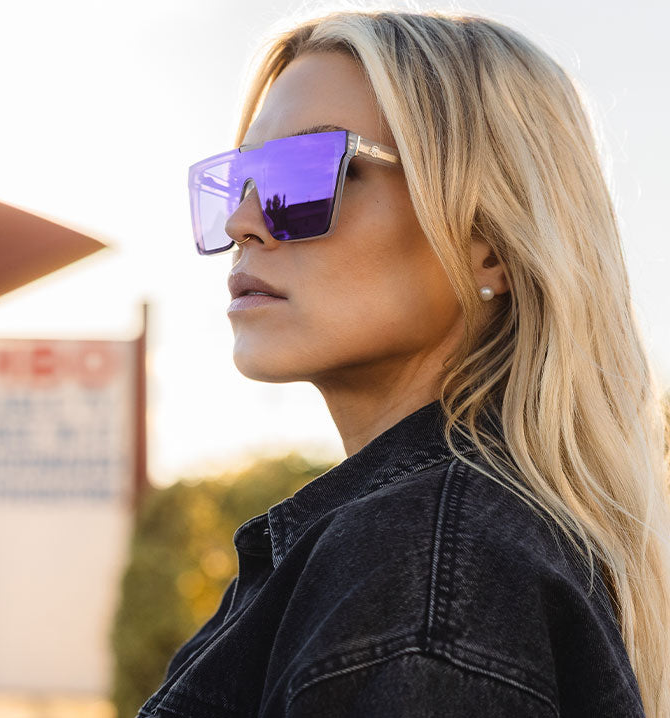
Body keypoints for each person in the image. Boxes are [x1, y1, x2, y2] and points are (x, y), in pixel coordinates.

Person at [143, 10, 670, 718]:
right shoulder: (454, 547)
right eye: (239, 182)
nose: (244, 221)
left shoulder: (428, 571)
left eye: (306, 177)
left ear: (490, 241)